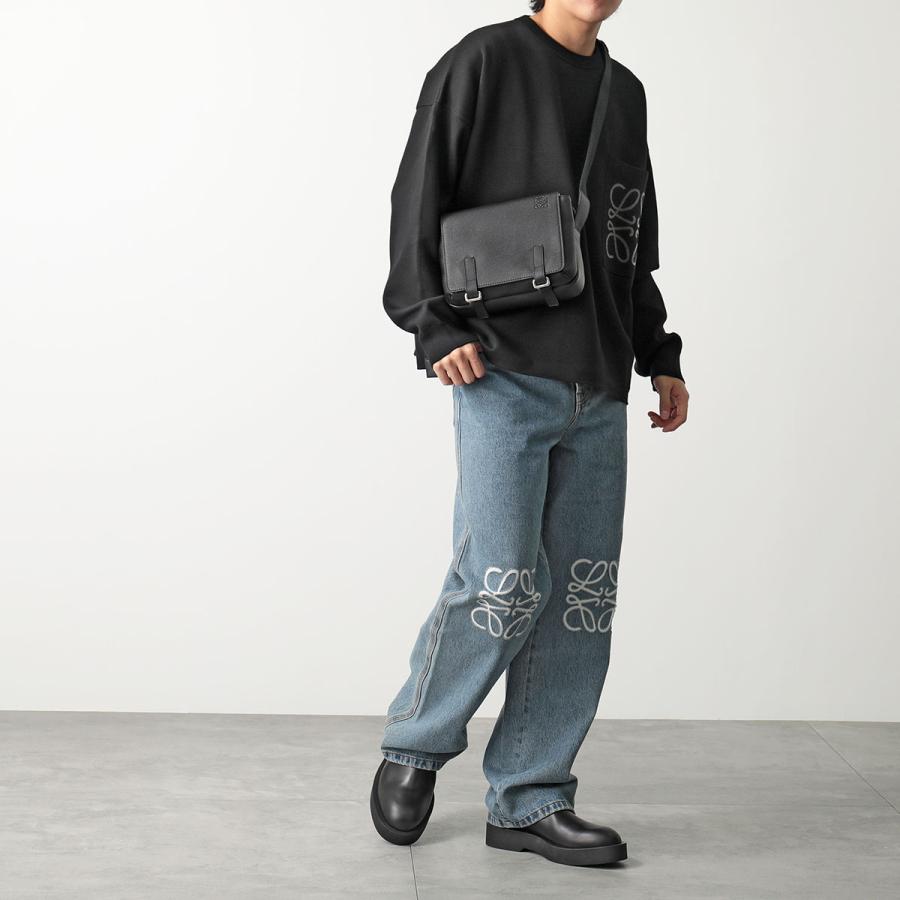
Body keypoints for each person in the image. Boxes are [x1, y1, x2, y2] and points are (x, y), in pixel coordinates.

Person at [370, 0, 689, 868]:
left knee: (583, 596)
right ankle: (416, 744)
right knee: (502, 579)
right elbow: (418, 197)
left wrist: (659, 353)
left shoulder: (625, 92)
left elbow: (627, 238)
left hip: (600, 380)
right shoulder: (483, 61)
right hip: (501, 367)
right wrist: (432, 325)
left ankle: (530, 797)